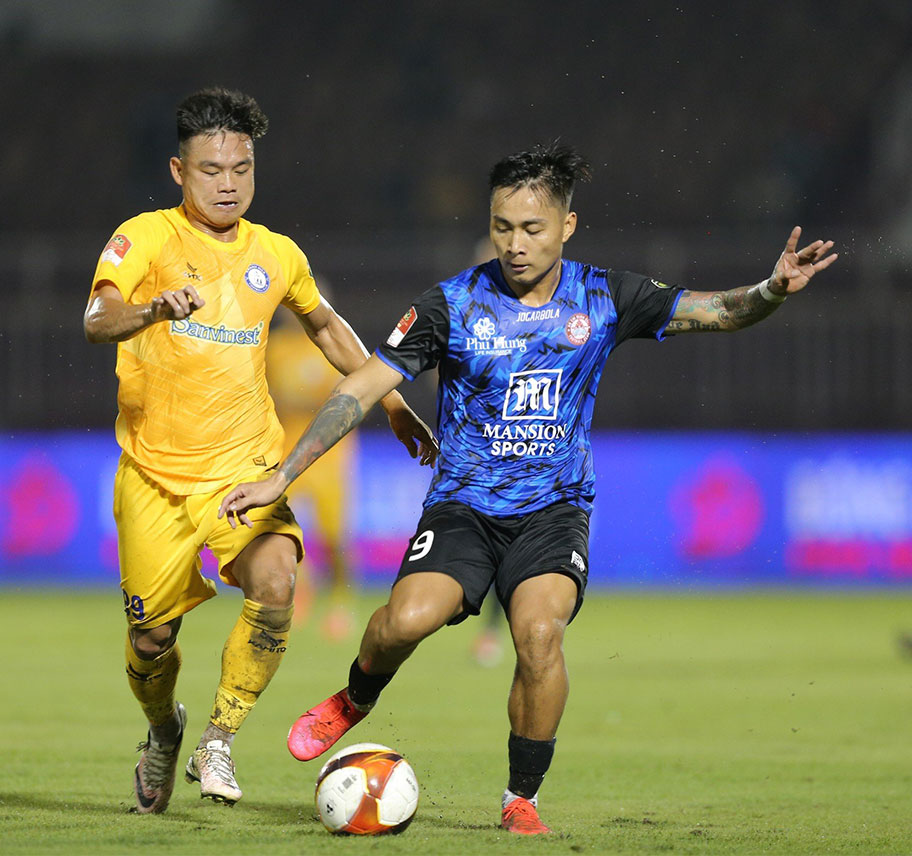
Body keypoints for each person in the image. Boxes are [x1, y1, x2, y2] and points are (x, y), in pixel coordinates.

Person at [217, 143, 838, 834]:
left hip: (555, 511)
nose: (515, 244)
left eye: (532, 229)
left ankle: (521, 798)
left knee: (539, 635)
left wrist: (772, 289)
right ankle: (357, 696)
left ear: (567, 227)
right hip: (462, 508)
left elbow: (719, 311)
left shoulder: (605, 296)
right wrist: (284, 472)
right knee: (404, 623)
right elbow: (363, 384)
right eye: (503, 226)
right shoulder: (451, 304)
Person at [83, 87, 437, 815]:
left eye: (242, 168)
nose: (228, 183)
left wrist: (393, 402)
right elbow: (97, 317)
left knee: (277, 582)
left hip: (245, 465)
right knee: (151, 639)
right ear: (179, 171)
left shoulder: (276, 253)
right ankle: (162, 730)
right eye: (212, 169)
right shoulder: (144, 237)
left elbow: (330, 329)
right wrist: (151, 308)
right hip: (156, 476)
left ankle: (220, 736)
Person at [266, 301, 358, 640]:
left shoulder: (330, 344)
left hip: (330, 450)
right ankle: (300, 591)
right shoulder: (274, 348)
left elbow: (344, 396)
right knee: (282, 527)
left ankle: (341, 600)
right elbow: (267, 395)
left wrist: (299, 400)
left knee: (335, 535)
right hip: (288, 447)